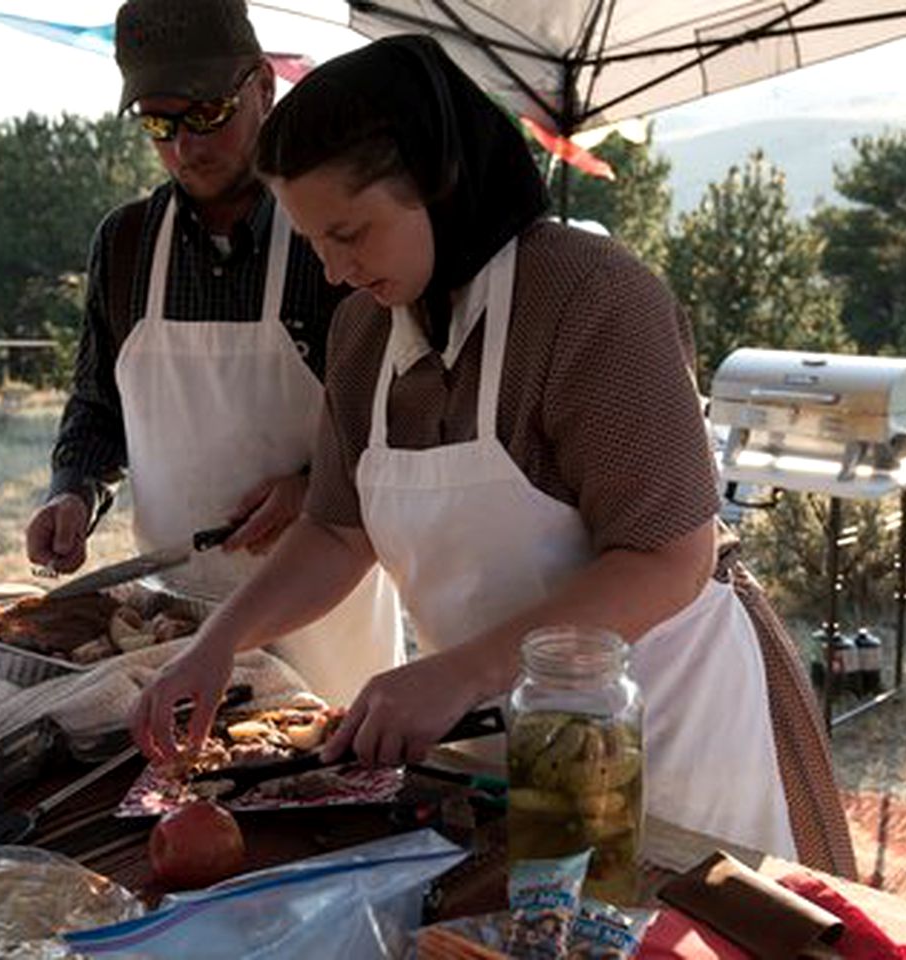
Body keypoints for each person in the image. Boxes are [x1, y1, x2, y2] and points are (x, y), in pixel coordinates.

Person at [131, 35, 856, 874]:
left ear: (436, 183)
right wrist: (217, 645)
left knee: (652, 916)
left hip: (662, 723)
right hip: (492, 728)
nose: (332, 271)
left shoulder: (591, 300)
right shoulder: (364, 332)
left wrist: (462, 672)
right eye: (314, 242)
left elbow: (666, 558)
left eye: (349, 233)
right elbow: (336, 531)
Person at [25, 0, 403, 706]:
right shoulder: (126, 244)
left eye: (206, 115)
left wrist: (309, 482)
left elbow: (394, 416)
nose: (184, 148)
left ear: (262, 86)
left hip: (327, 611)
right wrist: (72, 489)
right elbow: (98, 406)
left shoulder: (329, 236)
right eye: (159, 125)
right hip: (175, 615)